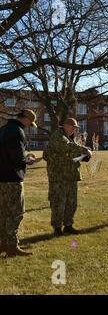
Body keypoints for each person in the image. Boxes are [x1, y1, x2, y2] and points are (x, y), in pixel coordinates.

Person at [43, 118, 93, 236]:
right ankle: (57, 228)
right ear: (65, 126)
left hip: (70, 175)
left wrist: (84, 156)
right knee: (59, 203)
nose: (75, 130)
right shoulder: (58, 136)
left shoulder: (69, 137)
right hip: (59, 177)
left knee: (71, 202)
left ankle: (68, 225)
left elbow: (72, 152)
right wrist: (86, 150)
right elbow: (68, 147)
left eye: (76, 128)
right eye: (73, 127)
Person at [0, 109, 38, 257]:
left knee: (3, 213)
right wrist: (29, 159)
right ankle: (11, 246)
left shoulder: (2, 129)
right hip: (13, 179)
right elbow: (17, 158)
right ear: (26, 119)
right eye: (30, 123)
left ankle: (3, 243)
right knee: (16, 213)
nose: (29, 126)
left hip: (1, 178)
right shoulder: (17, 131)